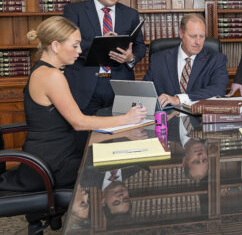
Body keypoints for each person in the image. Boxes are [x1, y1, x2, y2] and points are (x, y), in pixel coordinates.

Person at [0, 16, 146, 192]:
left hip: (56, 154)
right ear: (55, 46)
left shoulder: (43, 70)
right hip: (51, 164)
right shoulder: (52, 76)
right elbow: (79, 123)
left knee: (116, 157)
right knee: (115, 169)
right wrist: (127, 118)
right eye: (74, 45)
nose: (79, 51)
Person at [63, 0, 146, 116]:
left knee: (122, 136)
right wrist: (100, 43)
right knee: (84, 136)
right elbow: (66, 45)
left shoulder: (130, 14)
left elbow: (140, 46)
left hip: (120, 86)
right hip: (85, 85)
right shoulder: (74, 11)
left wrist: (130, 57)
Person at [144, 13, 228, 107]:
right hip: (167, 118)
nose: (198, 42)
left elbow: (218, 90)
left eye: (202, 36)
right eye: (193, 36)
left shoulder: (216, 60)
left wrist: (179, 99)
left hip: (200, 118)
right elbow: (145, 92)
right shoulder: (158, 59)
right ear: (181, 33)